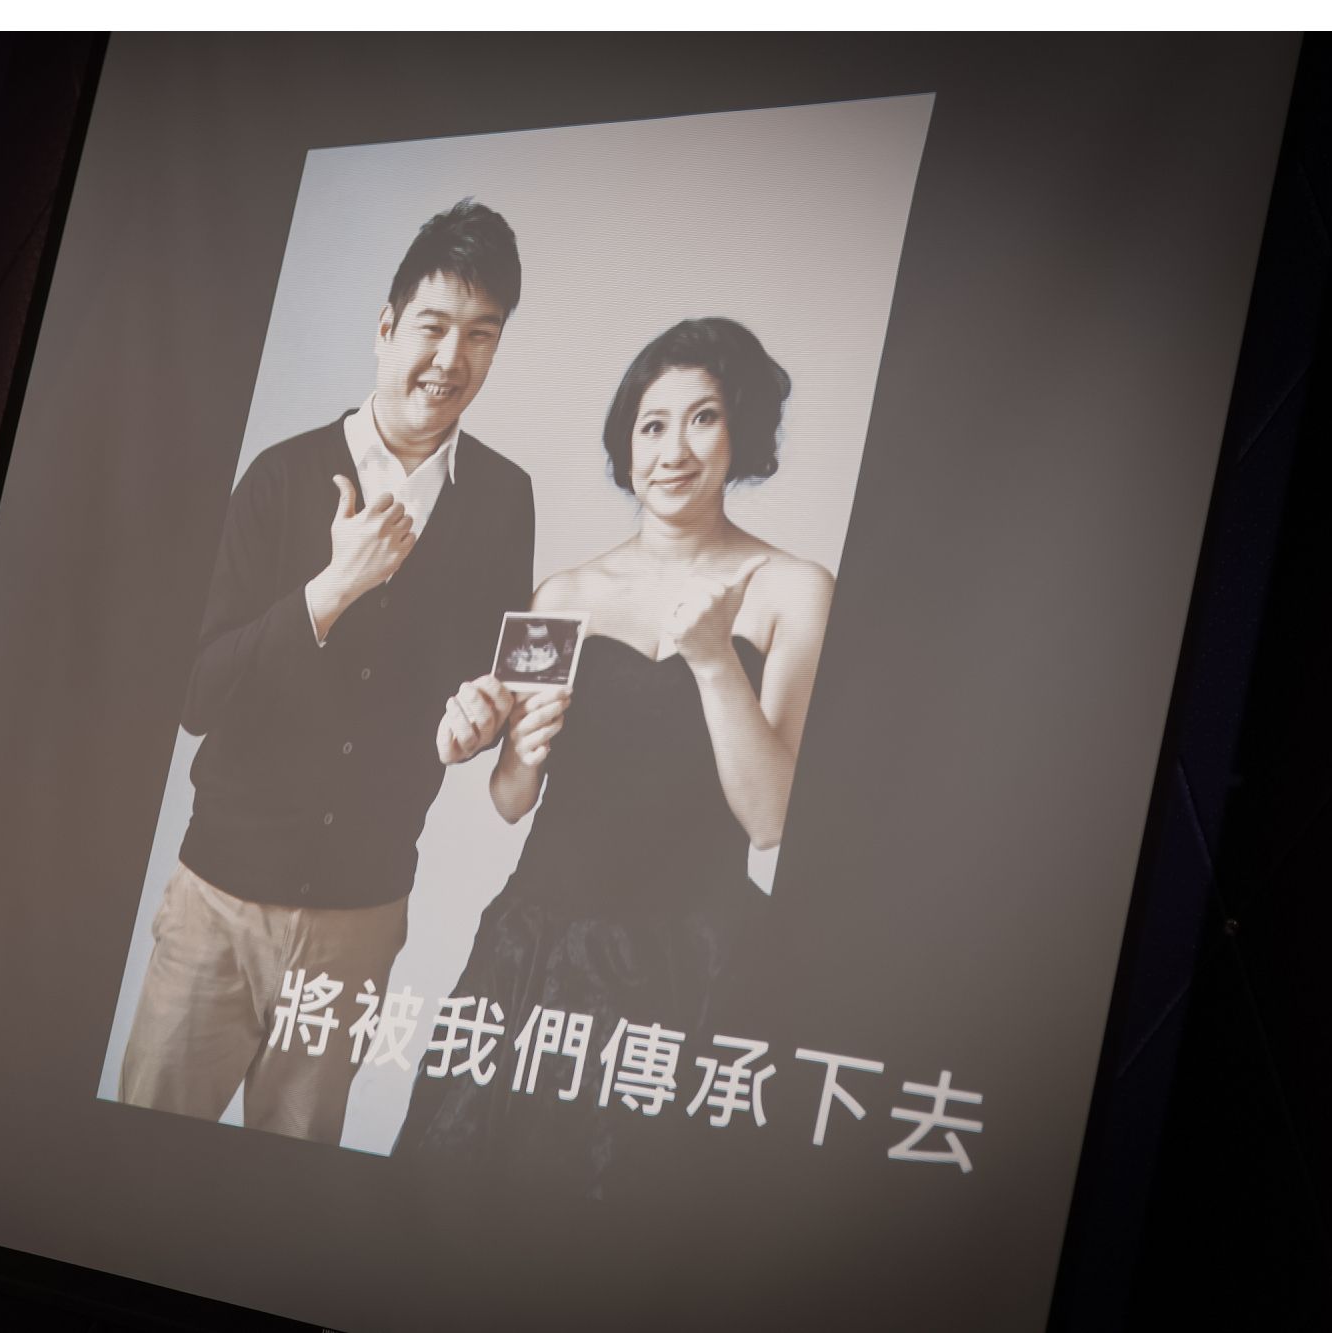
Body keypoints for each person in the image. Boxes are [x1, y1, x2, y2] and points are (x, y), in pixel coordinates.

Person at [117, 200, 537, 1145]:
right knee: (138, 1166)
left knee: (285, 1192)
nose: (452, 358)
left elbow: (488, 683)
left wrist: (481, 722)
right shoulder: (279, 478)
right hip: (219, 904)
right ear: (386, 327)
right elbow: (194, 696)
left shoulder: (505, 500)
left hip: (364, 915)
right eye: (433, 326)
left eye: (481, 334)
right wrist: (331, 590)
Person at [397, 316, 833, 1197]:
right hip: (537, 951)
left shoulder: (794, 590)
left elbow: (770, 819)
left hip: (693, 964)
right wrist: (514, 747)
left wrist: (714, 661)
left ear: (739, 430)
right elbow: (511, 798)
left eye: (702, 418)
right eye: (651, 424)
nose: (673, 450)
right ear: (626, 444)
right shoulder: (564, 592)